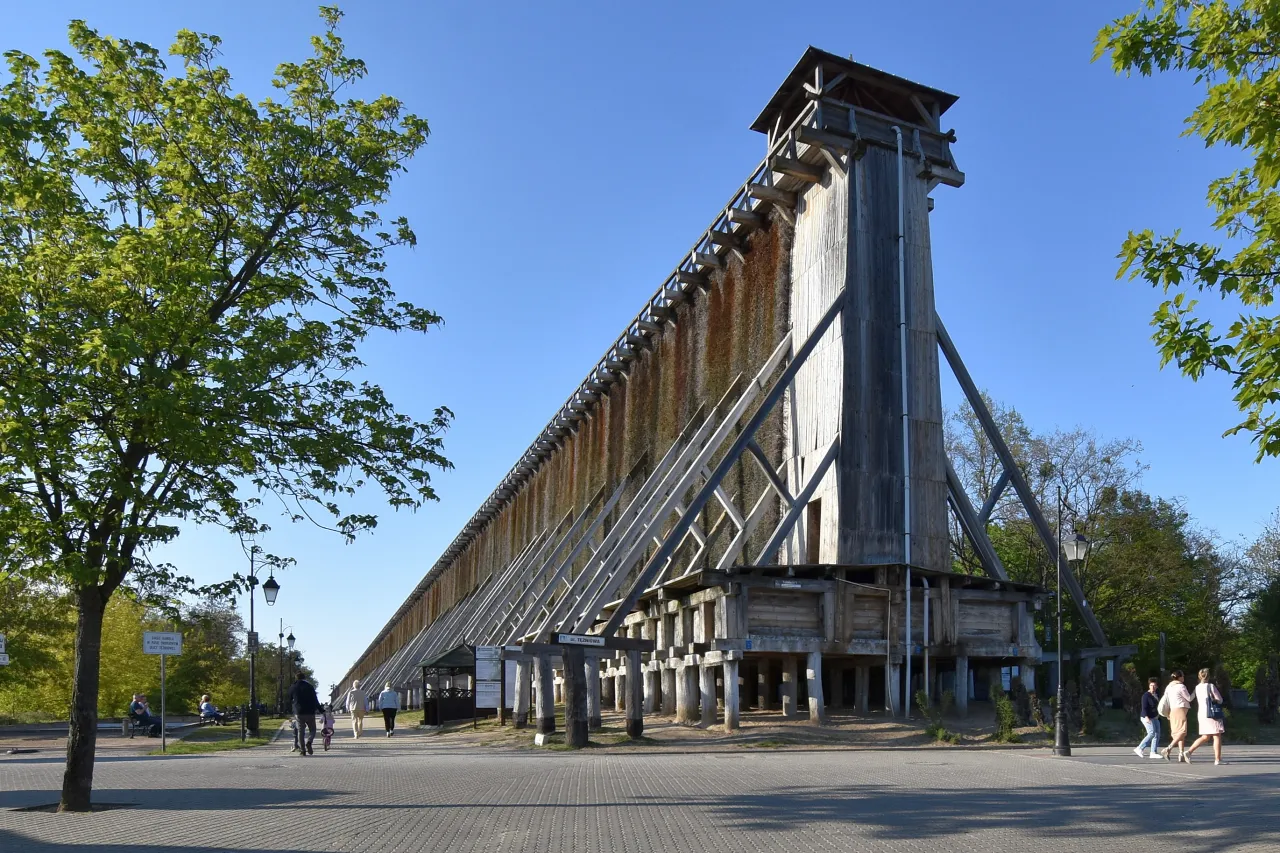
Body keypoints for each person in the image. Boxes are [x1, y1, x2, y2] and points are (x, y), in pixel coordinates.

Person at [1185, 668, 1227, 765]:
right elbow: (1220, 700)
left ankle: (1189, 751)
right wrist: (1215, 700)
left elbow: (1191, 698)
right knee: (1217, 735)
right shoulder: (1210, 686)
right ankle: (1218, 759)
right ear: (1209, 676)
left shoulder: (1197, 687)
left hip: (1202, 713)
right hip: (1212, 713)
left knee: (1205, 736)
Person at [1159, 670, 1194, 762]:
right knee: (1182, 731)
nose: (1184, 677)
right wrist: (1195, 691)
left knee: (1177, 733)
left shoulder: (1169, 687)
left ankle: (1181, 754)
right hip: (1180, 709)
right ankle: (1168, 748)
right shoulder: (1181, 686)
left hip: (1172, 710)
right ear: (1180, 677)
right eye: (1183, 676)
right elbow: (1189, 698)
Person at [288, 671, 322, 757]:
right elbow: (315, 699)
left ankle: (303, 750)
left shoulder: (293, 687)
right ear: (304, 678)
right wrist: (321, 710)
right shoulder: (310, 686)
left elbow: (289, 699)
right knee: (313, 730)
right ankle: (309, 742)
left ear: (296, 678)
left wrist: (289, 710)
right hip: (310, 712)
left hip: (299, 712)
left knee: (300, 731)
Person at [1134, 677, 1161, 759]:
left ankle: (1153, 752)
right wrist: (1146, 717)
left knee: (1157, 734)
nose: (1153, 687)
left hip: (1155, 717)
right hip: (1146, 717)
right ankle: (1139, 748)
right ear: (1149, 686)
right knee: (1151, 732)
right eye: (1151, 685)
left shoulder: (1156, 695)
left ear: (1157, 686)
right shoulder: (1146, 696)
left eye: (1154, 685)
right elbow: (1144, 708)